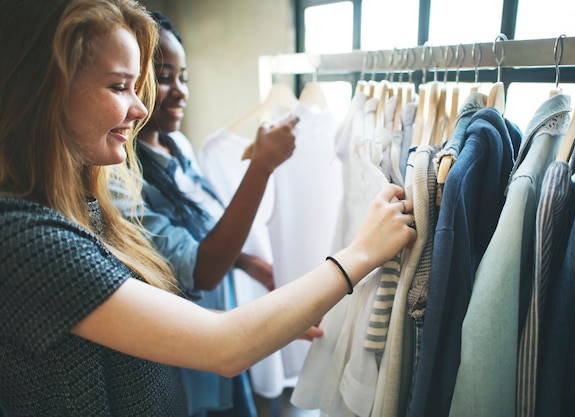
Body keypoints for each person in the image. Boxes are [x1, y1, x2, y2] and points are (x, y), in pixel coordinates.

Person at [0, 1, 416, 416]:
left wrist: (273, 317)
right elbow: (224, 344)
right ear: (47, 89)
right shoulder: (27, 240)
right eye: (118, 86)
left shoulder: (82, 206)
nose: (141, 108)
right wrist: (361, 253)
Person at [127, 10, 293, 417]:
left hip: (223, 320)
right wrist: (261, 167)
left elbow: (205, 230)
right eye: (165, 77)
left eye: (184, 78)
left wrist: (249, 263)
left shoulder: (178, 145)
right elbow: (200, 270)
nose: (181, 92)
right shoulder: (129, 177)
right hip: (189, 347)